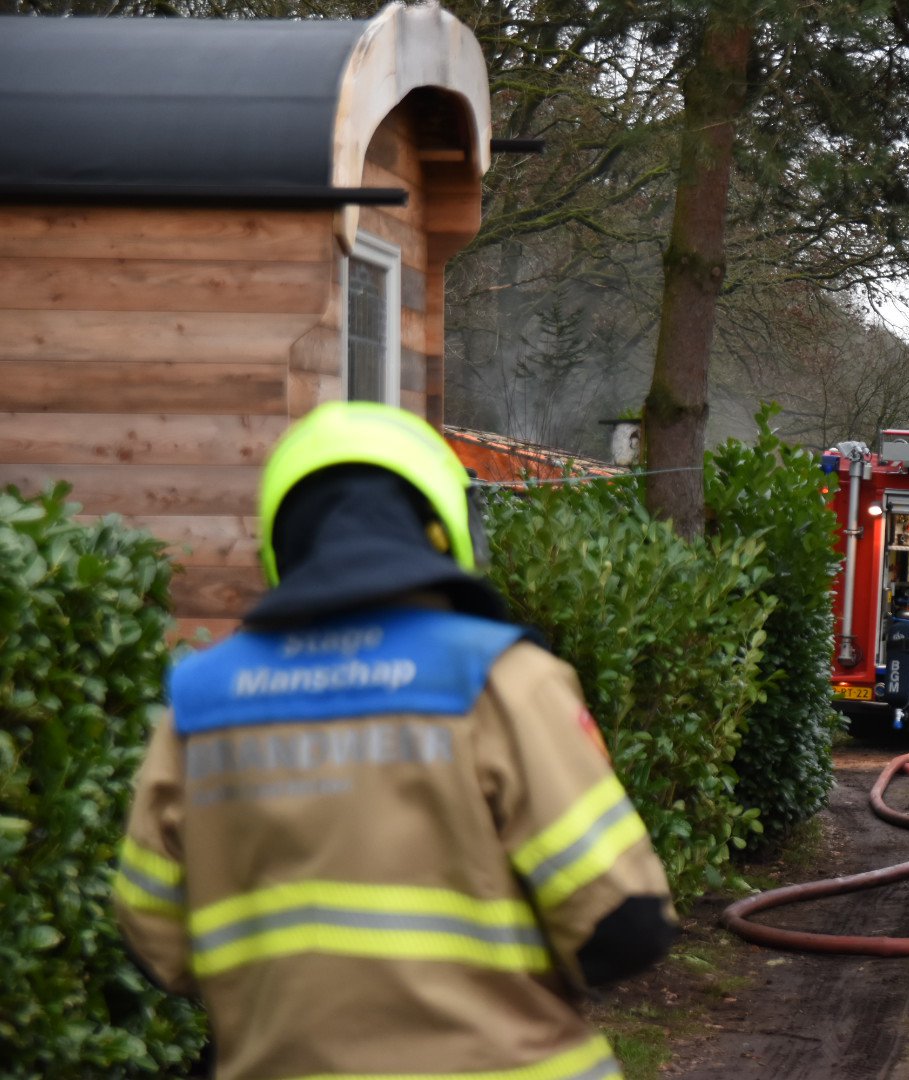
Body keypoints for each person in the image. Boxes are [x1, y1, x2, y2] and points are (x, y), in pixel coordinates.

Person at [114, 402, 677, 1080]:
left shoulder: (200, 703)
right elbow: (625, 923)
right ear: (447, 527)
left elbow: (156, 946)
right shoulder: (499, 681)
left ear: (282, 539)